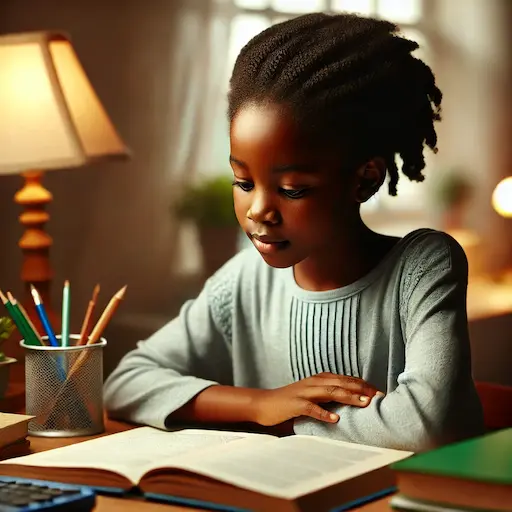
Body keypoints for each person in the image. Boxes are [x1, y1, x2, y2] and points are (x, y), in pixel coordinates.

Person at [104, 12, 484, 451]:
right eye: (244, 183)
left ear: (364, 179)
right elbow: (126, 382)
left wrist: (284, 422)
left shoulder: (421, 268)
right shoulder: (245, 280)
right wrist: (259, 405)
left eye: (292, 189)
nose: (259, 211)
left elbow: (426, 424)